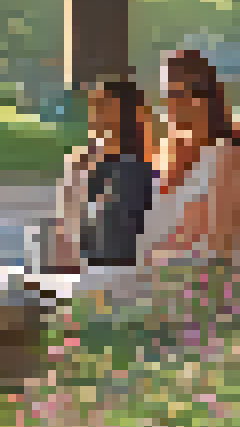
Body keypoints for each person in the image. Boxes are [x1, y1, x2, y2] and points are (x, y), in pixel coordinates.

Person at [41, 78, 160, 302]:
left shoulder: (133, 169)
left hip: (107, 277)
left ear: (123, 115)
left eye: (103, 106)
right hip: (79, 269)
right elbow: (64, 224)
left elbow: (111, 240)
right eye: (95, 107)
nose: (95, 115)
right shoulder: (89, 162)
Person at [146, 49, 240, 268]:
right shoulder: (168, 150)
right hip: (154, 267)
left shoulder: (228, 155)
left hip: (199, 274)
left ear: (202, 97)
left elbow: (220, 244)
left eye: (176, 95)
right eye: (166, 96)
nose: (169, 107)